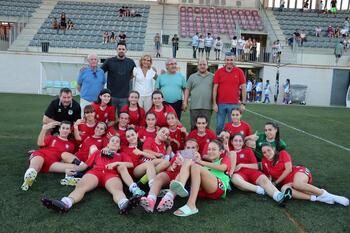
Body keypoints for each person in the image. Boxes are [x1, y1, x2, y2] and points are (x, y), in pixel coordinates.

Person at [41, 136, 145, 214]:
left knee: (117, 190)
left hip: (111, 174)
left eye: (117, 142)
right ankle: (65, 203)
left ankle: (124, 204)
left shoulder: (122, 155)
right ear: (108, 144)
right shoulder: (98, 152)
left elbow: (130, 164)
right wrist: (69, 169)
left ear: (119, 146)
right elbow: (85, 166)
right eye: (112, 140)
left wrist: (117, 163)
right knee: (81, 187)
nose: (114, 142)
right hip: (95, 172)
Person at [261, 143, 349, 206]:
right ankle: (315, 198)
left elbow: (289, 169)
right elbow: (269, 176)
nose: (267, 153)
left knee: (297, 184)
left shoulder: (282, 153)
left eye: (268, 150)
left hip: (298, 172)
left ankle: (331, 196)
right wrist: (270, 181)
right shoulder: (264, 162)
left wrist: (276, 183)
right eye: (264, 152)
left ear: (273, 149)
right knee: (284, 189)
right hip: (288, 182)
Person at [171, 140, 231, 217]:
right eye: (209, 149)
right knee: (190, 163)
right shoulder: (205, 166)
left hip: (219, 188)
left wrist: (200, 162)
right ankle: (172, 193)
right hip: (205, 192)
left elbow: (222, 168)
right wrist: (181, 163)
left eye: (214, 149)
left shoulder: (224, 159)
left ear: (221, 151)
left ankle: (191, 205)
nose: (210, 151)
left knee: (195, 166)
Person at [229, 134, 292, 204]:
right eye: (236, 141)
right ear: (231, 142)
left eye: (240, 141)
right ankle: (261, 190)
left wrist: (242, 165)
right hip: (239, 174)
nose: (238, 143)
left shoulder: (248, 150)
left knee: (264, 180)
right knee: (234, 179)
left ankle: (279, 196)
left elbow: (255, 165)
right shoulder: (229, 153)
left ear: (243, 142)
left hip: (252, 172)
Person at [139, 139, 200, 213]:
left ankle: (167, 200)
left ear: (197, 149)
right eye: (188, 147)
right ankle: (151, 200)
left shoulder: (197, 156)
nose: (190, 150)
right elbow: (168, 167)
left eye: (193, 148)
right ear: (185, 148)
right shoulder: (179, 153)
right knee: (160, 176)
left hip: (182, 177)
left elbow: (195, 170)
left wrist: (183, 163)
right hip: (172, 172)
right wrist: (172, 166)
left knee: (177, 180)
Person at [21, 121, 78, 191]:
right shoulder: (51, 138)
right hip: (42, 155)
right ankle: (28, 180)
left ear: (70, 131)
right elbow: (40, 143)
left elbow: (66, 158)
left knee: (77, 167)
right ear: (59, 129)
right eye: (63, 128)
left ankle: (71, 178)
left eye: (67, 129)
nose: (65, 130)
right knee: (35, 166)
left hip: (53, 163)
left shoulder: (71, 145)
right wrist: (44, 129)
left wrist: (65, 167)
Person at [213, 52, 246, 135]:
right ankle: (219, 142)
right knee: (220, 125)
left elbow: (244, 88)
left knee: (233, 126)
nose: (229, 62)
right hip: (221, 104)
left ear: (234, 60)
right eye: (227, 60)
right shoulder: (219, 72)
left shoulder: (239, 72)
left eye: (231, 60)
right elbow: (215, 89)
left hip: (234, 105)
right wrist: (214, 103)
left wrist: (243, 103)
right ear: (225, 61)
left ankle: (232, 143)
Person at [101, 42, 136, 114]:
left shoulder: (131, 62)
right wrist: (88, 69)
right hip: (111, 96)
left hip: (125, 96)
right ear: (116, 50)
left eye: (123, 49)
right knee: (110, 117)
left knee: (123, 117)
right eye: (119, 49)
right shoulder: (109, 61)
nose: (121, 50)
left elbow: (136, 73)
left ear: (126, 50)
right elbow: (100, 72)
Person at [183, 59, 214, 130]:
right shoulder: (192, 77)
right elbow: (187, 90)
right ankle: (193, 141)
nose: (202, 66)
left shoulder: (213, 77)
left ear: (207, 65)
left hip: (208, 107)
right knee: (194, 127)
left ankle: (205, 141)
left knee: (206, 127)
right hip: (194, 107)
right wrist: (185, 102)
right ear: (197, 66)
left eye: (204, 64)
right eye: (200, 64)